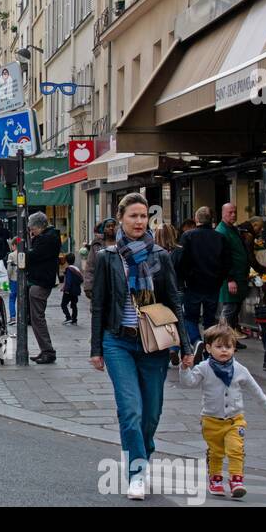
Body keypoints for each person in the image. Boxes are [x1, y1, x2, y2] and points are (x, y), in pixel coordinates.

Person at [89, 193, 193, 500]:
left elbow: (174, 301)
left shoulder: (160, 256)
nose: (139, 221)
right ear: (120, 218)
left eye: (143, 216)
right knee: (130, 409)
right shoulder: (109, 258)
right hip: (118, 341)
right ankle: (136, 473)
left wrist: (185, 347)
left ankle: (139, 453)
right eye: (133, 216)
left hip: (154, 344)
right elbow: (99, 305)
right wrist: (96, 348)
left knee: (151, 414)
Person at [180, 324, 266, 498]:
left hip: (234, 419)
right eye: (219, 346)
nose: (224, 350)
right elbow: (189, 383)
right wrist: (185, 368)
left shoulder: (239, 369)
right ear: (208, 348)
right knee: (216, 452)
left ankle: (236, 480)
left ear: (234, 348)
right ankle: (215, 479)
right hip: (211, 420)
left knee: (235, 449)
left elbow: (255, 389)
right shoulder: (204, 367)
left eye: (228, 347)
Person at [177, 207, 231, 347]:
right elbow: (227, 263)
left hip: (193, 284)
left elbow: (181, 261)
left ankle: (196, 341)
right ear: (212, 220)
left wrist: (183, 279)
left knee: (190, 317)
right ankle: (209, 345)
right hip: (213, 284)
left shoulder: (188, 236)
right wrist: (220, 279)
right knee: (210, 319)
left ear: (196, 219)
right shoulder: (220, 237)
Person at [25, 212, 62, 364]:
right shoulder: (47, 237)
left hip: (40, 282)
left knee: (37, 319)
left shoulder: (47, 239)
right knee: (36, 318)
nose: (31, 231)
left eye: (32, 228)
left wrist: (24, 253)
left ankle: (48, 351)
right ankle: (45, 350)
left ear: (39, 226)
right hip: (40, 280)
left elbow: (33, 256)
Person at [216, 203, 252, 346]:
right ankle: (221, 339)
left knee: (235, 310)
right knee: (229, 309)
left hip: (239, 275)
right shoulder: (222, 231)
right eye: (230, 212)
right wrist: (230, 279)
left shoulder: (232, 229)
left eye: (235, 212)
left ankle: (231, 340)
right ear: (223, 213)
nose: (233, 215)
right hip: (231, 278)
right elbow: (223, 257)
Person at [82, 218, 118, 300]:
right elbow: (90, 266)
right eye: (108, 226)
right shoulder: (97, 244)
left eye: (113, 226)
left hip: (118, 285)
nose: (111, 228)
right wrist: (88, 286)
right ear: (103, 229)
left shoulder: (121, 242)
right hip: (101, 284)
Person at [61, 254, 83, 324]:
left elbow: (69, 281)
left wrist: (66, 289)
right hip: (76, 291)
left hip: (69, 291)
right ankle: (74, 320)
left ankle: (68, 317)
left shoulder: (69, 269)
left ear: (67, 261)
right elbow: (81, 280)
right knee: (74, 305)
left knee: (63, 304)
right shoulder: (77, 269)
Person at [6, 237, 20, 323]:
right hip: (23, 280)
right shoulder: (25, 253)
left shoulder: (11, 255)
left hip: (13, 279)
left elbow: (9, 269)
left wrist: (8, 278)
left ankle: (12, 317)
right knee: (22, 299)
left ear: (14, 245)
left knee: (12, 298)